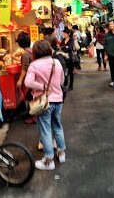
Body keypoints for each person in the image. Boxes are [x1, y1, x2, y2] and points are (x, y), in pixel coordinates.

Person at [24, 40, 66, 170]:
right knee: (58, 126)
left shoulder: (34, 65)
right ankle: (61, 153)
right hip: (58, 100)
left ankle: (49, 160)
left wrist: (42, 87)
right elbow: (61, 81)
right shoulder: (56, 62)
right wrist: (50, 86)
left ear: (35, 51)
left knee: (45, 130)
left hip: (44, 102)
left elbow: (28, 82)